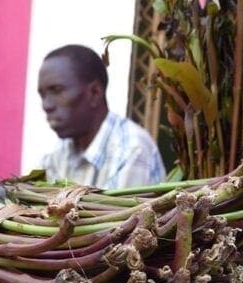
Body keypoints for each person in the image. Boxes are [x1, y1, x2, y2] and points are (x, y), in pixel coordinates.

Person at [38, 44, 166, 190]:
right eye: (42, 95)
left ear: (95, 93)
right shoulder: (59, 153)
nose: (46, 105)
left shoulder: (132, 149)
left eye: (57, 91)